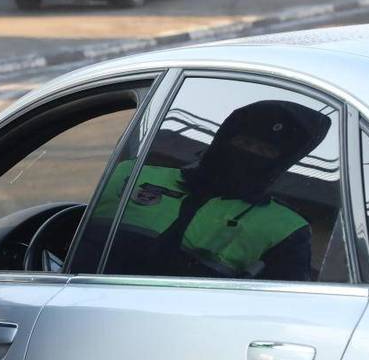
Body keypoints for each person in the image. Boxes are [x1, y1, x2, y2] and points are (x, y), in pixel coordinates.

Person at [106, 100, 331, 280]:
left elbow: (283, 307)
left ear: (279, 163)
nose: (248, 154)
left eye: (264, 150)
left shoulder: (286, 228)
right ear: (222, 140)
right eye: (244, 142)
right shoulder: (132, 176)